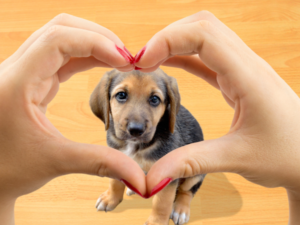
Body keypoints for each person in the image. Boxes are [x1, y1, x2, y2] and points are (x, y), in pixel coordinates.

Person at [0, 11, 299, 225]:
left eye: (154, 100)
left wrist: (160, 214)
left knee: (187, 178)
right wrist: (115, 188)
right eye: (121, 96)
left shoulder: (166, 138)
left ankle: (186, 200)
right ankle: (116, 194)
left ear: (169, 107)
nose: (135, 122)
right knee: (119, 171)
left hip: (178, 177)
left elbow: (172, 177)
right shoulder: (114, 133)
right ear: (104, 103)